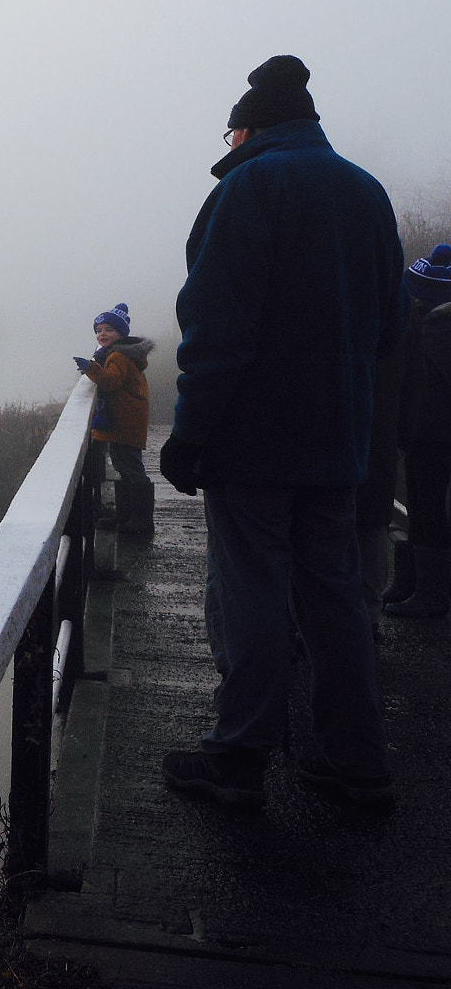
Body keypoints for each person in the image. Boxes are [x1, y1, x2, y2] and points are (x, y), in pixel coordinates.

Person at [157, 55, 405, 810]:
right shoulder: (365, 191)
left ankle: (238, 759)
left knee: (253, 591)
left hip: (254, 441)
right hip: (339, 439)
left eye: (230, 132)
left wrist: (188, 436)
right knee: (333, 594)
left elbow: (216, 328)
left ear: (248, 128)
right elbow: (389, 326)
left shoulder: (248, 188)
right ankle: (356, 763)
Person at [383, 244, 451, 617]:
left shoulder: (436, 326)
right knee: (421, 507)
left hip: (432, 431)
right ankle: (414, 585)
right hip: (430, 428)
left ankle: (429, 595)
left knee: (423, 507)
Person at [73, 303, 154, 535]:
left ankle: (141, 521)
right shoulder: (119, 353)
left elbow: (110, 382)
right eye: (98, 330)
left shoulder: (118, 356)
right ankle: (125, 515)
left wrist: (91, 368)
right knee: (122, 465)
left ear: (120, 333)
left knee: (130, 467)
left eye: (108, 329)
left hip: (125, 421)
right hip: (126, 419)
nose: (102, 334)